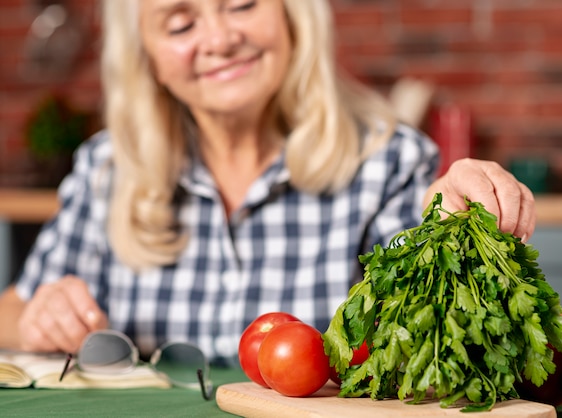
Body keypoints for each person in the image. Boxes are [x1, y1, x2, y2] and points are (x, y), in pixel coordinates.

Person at [0, 0, 534, 367]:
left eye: (243, 3)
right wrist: (33, 321)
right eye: (180, 24)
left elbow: (423, 284)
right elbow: (11, 309)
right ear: (148, 59)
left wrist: (451, 214)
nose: (220, 38)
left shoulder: (387, 160)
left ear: (290, 16)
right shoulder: (106, 168)